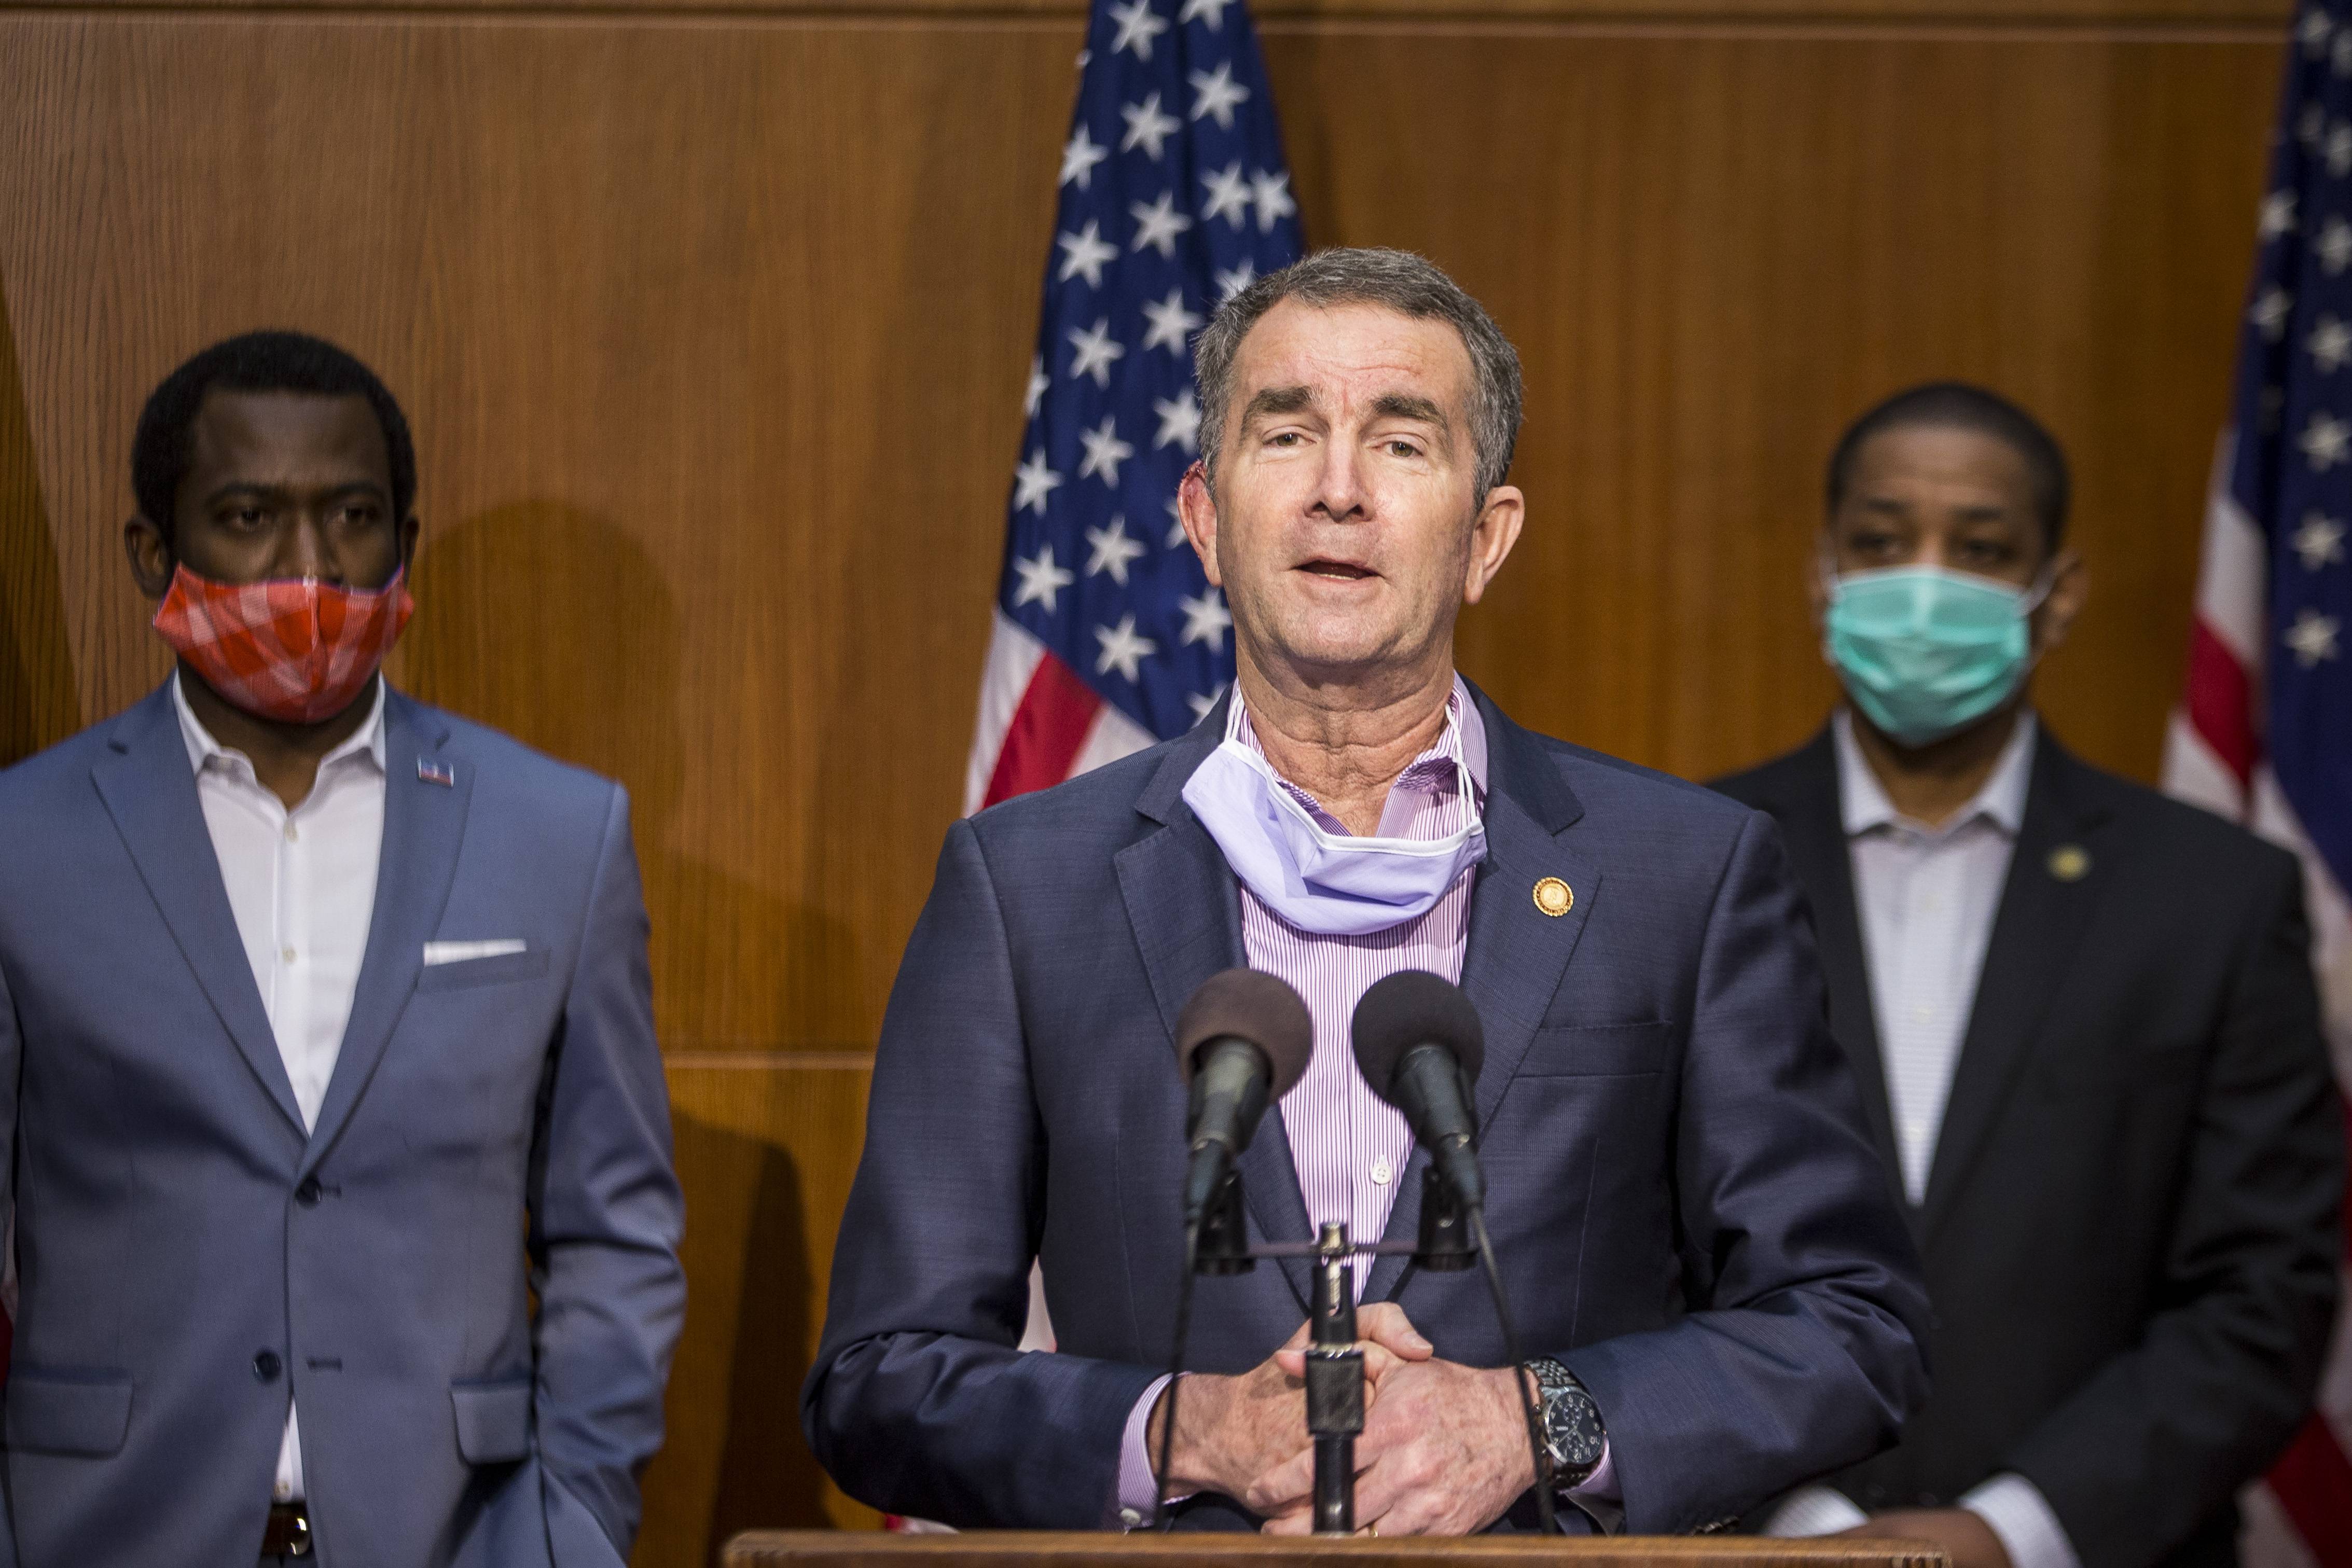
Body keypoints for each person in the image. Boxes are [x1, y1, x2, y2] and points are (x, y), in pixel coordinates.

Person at [804, 248, 1929, 1535]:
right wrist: (1178, 1430)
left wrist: (1534, 1421)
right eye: (1286, 434)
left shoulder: (1683, 875)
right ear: (1204, 520)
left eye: (1400, 444)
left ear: (1483, 538)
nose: (1337, 491)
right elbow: (878, 1378)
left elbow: (1852, 1322)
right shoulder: (1024, 887)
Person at [0, 331, 686, 1566]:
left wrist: (569, 1532)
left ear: (403, 541)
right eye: (249, 517)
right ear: (155, 552)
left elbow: (615, 1234)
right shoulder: (20, 845)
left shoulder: (557, 834)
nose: (308, 568)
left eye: (353, 517)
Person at [1712, 383, 2344, 1568]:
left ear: (2055, 596)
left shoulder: (2212, 897)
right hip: (1747, 1548)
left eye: (1980, 549)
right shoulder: (1680, 864)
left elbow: (2261, 1294)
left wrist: (2013, 1533)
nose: (1924, 586)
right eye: (1881, 542)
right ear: (1821, 575)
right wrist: (1796, 1529)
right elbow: (1619, 1252)